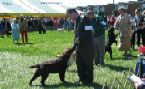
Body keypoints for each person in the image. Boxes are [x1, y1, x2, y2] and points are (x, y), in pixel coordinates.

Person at [66, 8, 94, 85]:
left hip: (87, 46)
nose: (70, 18)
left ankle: (88, 80)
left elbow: (89, 31)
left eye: (69, 16)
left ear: (73, 13)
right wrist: (75, 45)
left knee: (88, 64)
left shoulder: (85, 19)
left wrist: (80, 38)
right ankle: (82, 78)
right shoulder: (77, 21)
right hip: (79, 47)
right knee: (79, 63)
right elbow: (77, 34)